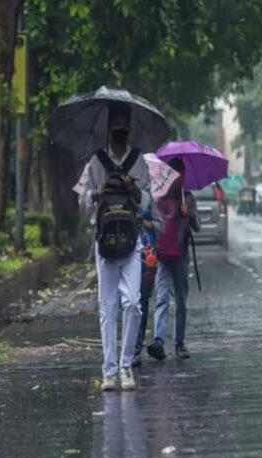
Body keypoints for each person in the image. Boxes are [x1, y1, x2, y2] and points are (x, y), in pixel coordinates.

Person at [77, 102, 151, 391]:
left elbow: (148, 202)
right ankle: (109, 371)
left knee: (133, 303)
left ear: (129, 129)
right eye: (115, 128)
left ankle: (126, 365)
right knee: (108, 307)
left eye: (124, 128)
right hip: (105, 243)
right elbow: (82, 202)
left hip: (132, 241)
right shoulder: (95, 162)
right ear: (109, 130)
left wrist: (135, 190)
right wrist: (98, 192)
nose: (119, 133)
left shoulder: (139, 161)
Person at [147, 160, 201, 361]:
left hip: (180, 256)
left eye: (180, 174)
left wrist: (191, 214)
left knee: (181, 302)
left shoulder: (187, 198)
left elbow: (198, 227)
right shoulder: (158, 197)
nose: (177, 178)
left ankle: (180, 343)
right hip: (162, 256)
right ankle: (158, 341)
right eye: (173, 173)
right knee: (161, 298)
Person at [132, 202, 163, 368]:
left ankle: (136, 349)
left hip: (146, 260)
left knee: (142, 303)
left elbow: (160, 226)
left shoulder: (148, 201)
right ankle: (127, 348)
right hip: (123, 254)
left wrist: (145, 223)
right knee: (127, 303)